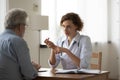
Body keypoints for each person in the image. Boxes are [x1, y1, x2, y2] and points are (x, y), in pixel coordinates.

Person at [0, 8, 40, 80]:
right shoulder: (18, 41)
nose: (25, 29)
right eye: (25, 26)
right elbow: (29, 74)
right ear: (20, 26)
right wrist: (34, 68)